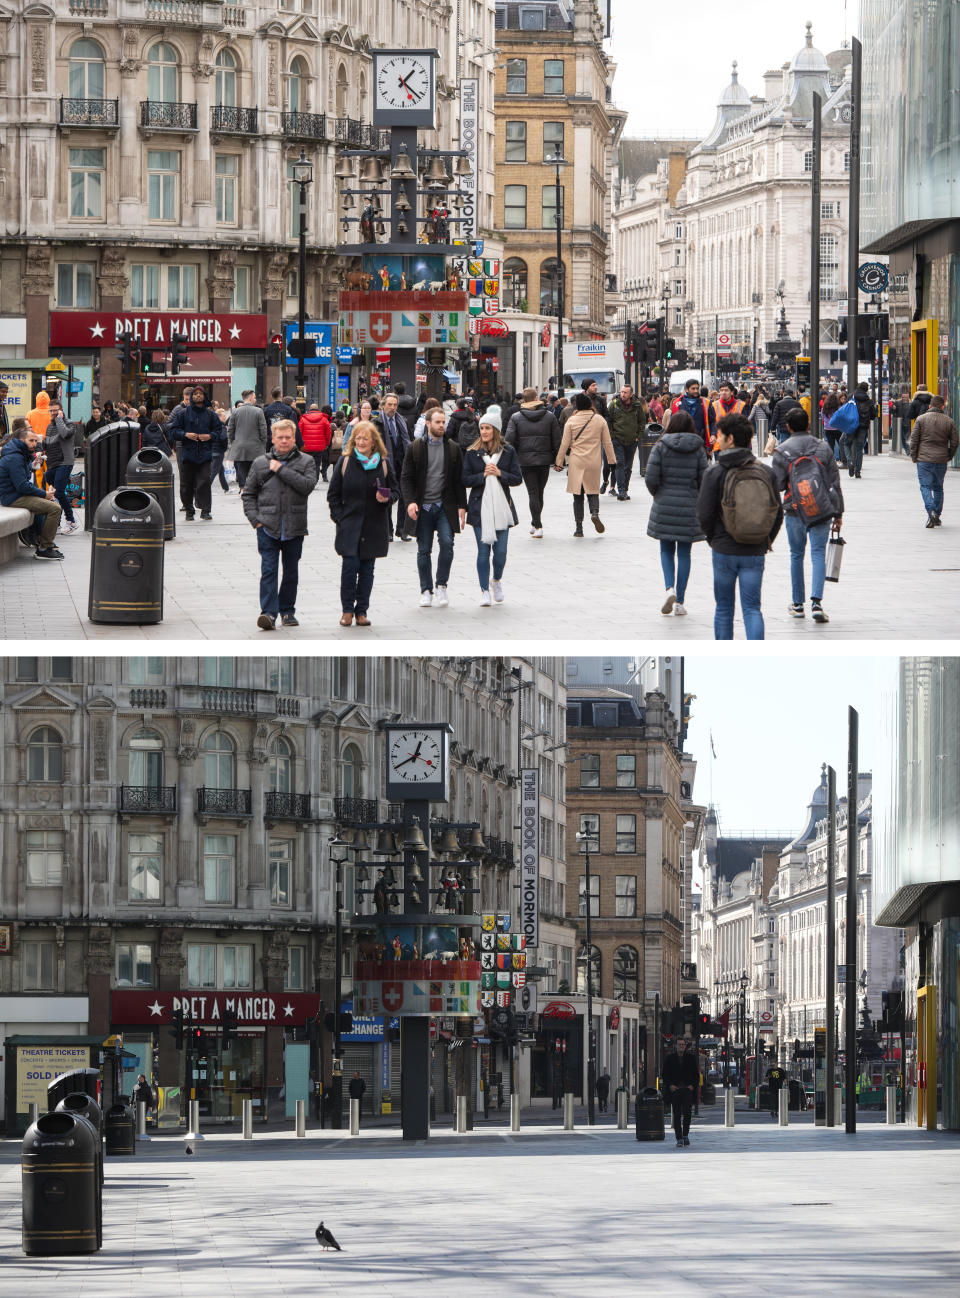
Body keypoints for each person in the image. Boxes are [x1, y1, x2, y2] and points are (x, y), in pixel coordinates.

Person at [696, 412, 783, 640]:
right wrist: (765, 539)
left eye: (720, 435)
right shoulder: (766, 472)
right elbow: (777, 513)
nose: (717, 439)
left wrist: (714, 539)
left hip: (724, 549)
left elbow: (704, 513)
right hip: (755, 550)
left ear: (731, 439)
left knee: (724, 609)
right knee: (752, 608)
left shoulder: (715, 472)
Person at [241, 418, 317, 630]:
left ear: (294, 438)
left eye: (288, 437)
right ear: (273, 439)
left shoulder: (306, 461)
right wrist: (255, 520)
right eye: (280, 437)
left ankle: (287, 611)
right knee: (269, 570)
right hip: (267, 526)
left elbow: (307, 486)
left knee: (291, 571)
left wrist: (281, 469)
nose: (284, 441)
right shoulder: (260, 463)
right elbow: (249, 494)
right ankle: (268, 613)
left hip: (295, 526)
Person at [770, 406, 844, 622]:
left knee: (796, 554)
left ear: (788, 427)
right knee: (818, 553)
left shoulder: (782, 451)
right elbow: (834, 482)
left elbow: (779, 484)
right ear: (809, 425)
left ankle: (797, 604)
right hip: (821, 508)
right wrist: (838, 512)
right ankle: (816, 603)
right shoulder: (823, 448)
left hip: (794, 508)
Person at [327, 418, 396, 626]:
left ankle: (361, 611)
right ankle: (347, 610)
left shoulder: (383, 463)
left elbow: (396, 490)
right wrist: (339, 517)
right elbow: (333, 494)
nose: (361, 442)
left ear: (374, 442)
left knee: (367, 570)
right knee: (350, 566)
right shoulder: (346, 461)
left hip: (374, 525)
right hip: (350, 524)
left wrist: (387, 498)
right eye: (358, 438)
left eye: (365, 439)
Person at [401, 405, 467, 609]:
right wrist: (410, 501)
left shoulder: (453, 448)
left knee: (447, 544)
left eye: (443, 422)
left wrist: (462, 506)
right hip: (423, 507)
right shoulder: (416, 447)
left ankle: (441, 585)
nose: (441, 425)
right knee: (424, 549)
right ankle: (426, 590)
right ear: (428, 423)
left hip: (444, 506)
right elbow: (406, 477)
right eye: (437, 422)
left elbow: (459, 480)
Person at [644, 409, 708, 617]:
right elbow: (704, 479)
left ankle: (669, 588)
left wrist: (659, 494)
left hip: (665, 502)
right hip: (690, 504)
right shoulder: (698, 448)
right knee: (684, 553)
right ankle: (680, 601)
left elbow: (651, 477)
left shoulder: (661, 446)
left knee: (666, 550)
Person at [462, 410, 522, 606]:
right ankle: (484, 591)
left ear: (495, 430)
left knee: (501, 551)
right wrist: (483, 476)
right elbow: (464, 479)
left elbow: (517, 478)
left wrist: (499, 473)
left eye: (488, 428)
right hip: (480, 508)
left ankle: (496, 580)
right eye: (482, 428)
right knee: (483, 551)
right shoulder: (472, 453)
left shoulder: (508, 451)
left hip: (502, 507)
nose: (484, 431)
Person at [553, 391, 616, 537]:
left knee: (578, 494)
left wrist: (559, 462)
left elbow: (564, 444)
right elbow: (607, 443)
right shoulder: (599, 420)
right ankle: (594, 512)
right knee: (593, 491)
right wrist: (612, 462)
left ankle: (579, 528)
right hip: (593, 461)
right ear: (590, 405)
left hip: (576, 461)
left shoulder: (572, 421)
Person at [504, 386, 562, 538]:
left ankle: (537, 524)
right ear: (536, 398)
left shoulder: (516, 417)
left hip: (525, 461)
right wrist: (558, 460)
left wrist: (511, 459)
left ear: (523, 400)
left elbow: (509, 440)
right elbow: (557, 440)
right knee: (539, 492)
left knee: (533, 493)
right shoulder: (549, 416)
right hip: (544, 460)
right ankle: (535, 522)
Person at [0, 424, 63, 558]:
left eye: (35, 441)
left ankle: (42, 541)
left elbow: (23, 477)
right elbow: (22, 486)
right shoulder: (15, 457)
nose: (35, 444)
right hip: (13, 498)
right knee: (55, 508)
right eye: (31, 441)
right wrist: (45, 494)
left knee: (53, 503)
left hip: (17, 495)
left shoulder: (19, 453)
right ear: (22, 440)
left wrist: (32, 466)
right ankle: (44, 547)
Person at [166, 386, 226, 520]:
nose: (198, 396)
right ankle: (189, 510)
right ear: (192, 397)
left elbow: (219, 430)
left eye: (200, 394)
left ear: (204, 396)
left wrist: (210, 436)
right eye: (195, 394)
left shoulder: (210, 414)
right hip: (187, 453)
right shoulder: (183, 413)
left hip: (205, 454)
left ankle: (205, 510)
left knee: (204, 481)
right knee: (186, 483)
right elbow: (172, 431)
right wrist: (185, 434)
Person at [910, 394, 958, 527]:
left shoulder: (921, 419)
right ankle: (936, 514)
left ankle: (930, 511)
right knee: (938, 488)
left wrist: (914, 456)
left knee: (925, 486)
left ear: (930, 406)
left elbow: (914, 440)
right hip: (941, 459)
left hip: (924, 459)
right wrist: (949, 455)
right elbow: (955, 442)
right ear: (943, 406)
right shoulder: (949, 421)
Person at [373, 391, 410, 538]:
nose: (392, 408)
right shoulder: (376, 423)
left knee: (404, 495)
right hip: (385, 463)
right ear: (383, 405)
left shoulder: (401, 420)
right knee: (386, 494)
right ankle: (388, 529)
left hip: (401, 461)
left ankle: (402, 529)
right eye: (390, 404)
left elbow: (406, 440)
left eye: (395, 405)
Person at [42, 399, 80, 535]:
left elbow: (64, 434)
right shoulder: (49, 426)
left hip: (65, 462)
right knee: (50, 482)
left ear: (61, 411)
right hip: (52, 463)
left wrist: (59, 419)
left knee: (58, 492)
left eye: (55, 410)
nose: (52, 413)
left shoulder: (69, 424)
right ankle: (57, 522)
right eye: (50, 410)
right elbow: (47, 443)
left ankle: (72, 521)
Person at [606, 384, 646, 500]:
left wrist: (638, 436)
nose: (623, 394)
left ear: (631, 394)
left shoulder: (637, 406)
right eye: (622, 392)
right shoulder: (614, 404)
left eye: (625, 392)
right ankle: (621, 491)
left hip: (632, 441)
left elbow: (642, 422)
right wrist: (612, 436)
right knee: (620, 464)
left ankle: (625, 489)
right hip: (617, 440)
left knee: (628, 466)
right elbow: (608, 420)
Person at [227, 390, 269, 489]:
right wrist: (263, 443)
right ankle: (253, 488)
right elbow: (263, 429)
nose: (255, 399)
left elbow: (230, 430)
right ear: (250, 398)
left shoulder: (235, 412)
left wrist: (234, 442)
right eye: (254, 397)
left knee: (241, 469)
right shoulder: (258, 411)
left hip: (239, 447)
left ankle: (242, 488)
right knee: (255, 469)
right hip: (256, 447)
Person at [663, 1036, 699, 1147]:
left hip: (687, 1090)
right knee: (677, 1114)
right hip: (675, 1090)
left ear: (685, 1046)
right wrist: (670, 1085)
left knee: (688, 1114)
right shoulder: (670, 1058)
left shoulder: (691, 1058)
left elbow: (696, 1075)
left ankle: (685, 1135)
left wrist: (692, 1086)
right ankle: (678, 1137)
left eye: (683, 1045)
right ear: (676, 1046)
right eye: (679, 1044)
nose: (681, 1046)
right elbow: (665, 1074)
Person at [668, 378, 713, 452]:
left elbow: (712, 421)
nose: (696, 391)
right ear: (686, 389)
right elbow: (673, 422)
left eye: (697, 388)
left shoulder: (706, 403)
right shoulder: (677, 403)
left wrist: (713, 434)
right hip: (682, 442)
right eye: (693, 388)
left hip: (701, 441)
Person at [846, 382, 875, 478]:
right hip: (863, 426)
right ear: (866, 390)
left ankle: (850, 461)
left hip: (851, 425)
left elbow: (845, 409)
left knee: (847, 443)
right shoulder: (869, 400)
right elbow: (873, 416)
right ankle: (857, 472)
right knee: (859, 448)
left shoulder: (851, 396)